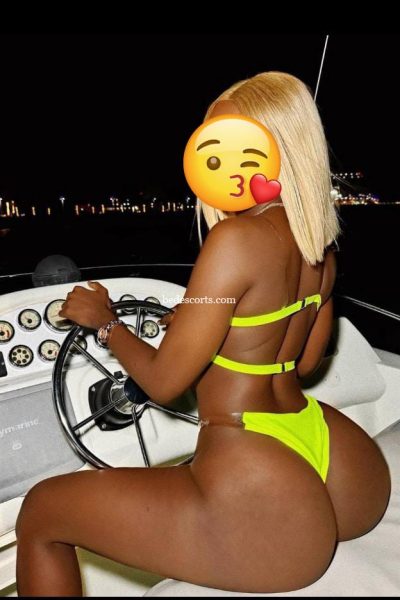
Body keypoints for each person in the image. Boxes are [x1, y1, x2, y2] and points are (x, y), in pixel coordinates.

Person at [16, 72, 391, 596]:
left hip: (253, 454)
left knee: (41, 511)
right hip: (328, 448)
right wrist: (205, 324)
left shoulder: (235, 238)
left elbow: (164, 383)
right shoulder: (319, 246)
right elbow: (303, 363)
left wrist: (105, 322)